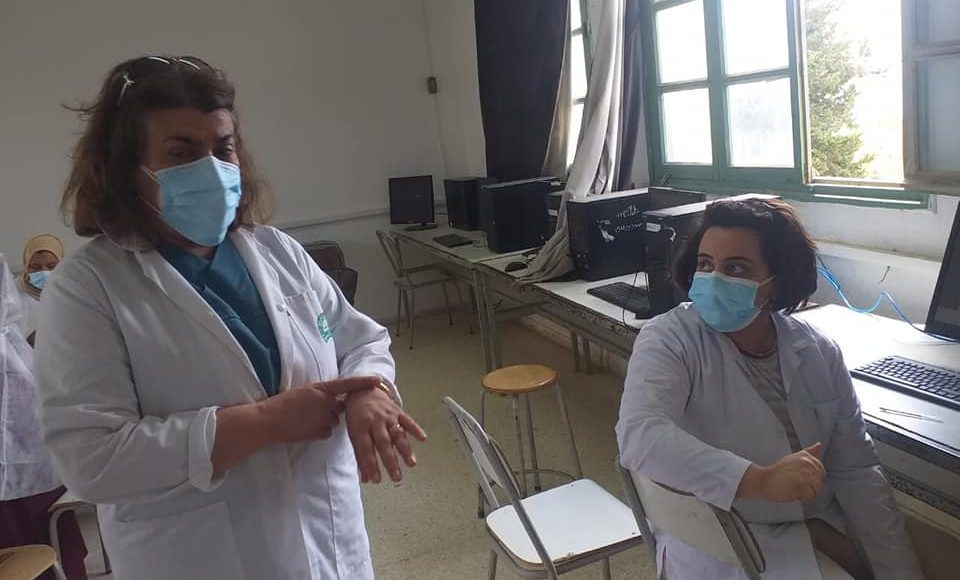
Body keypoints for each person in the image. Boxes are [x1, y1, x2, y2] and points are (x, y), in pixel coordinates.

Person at [34, 55, 426, 580]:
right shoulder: (87, 289)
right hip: (197, 556)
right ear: (126, 168)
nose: (211, 170)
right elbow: (92, 459)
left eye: (222, 148)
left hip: (327, 540)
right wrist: (263, 424)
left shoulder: (275, 250)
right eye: (181, 153)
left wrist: (368, 391)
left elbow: (359, 339)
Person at [616, 199, 924, 580]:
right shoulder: (668, 339)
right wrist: (758, 480)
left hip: (813, 523)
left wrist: (899, 572)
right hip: (724, 539)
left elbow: (858, 471)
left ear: (777, 282)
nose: (714, 279)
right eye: (706, 264)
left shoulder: (818, 350)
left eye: (736, 268)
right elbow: (640, 437)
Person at [1, 253, 87, 580]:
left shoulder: (12, 355)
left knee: (41, 551)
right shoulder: (15, 351)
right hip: (31, 483)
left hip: (31, 485)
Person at [19, 234, 65, 344]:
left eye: (51, 267)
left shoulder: (73, 292)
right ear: (26, 267)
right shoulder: (13, 294)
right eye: (35, 267)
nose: (44, 272)